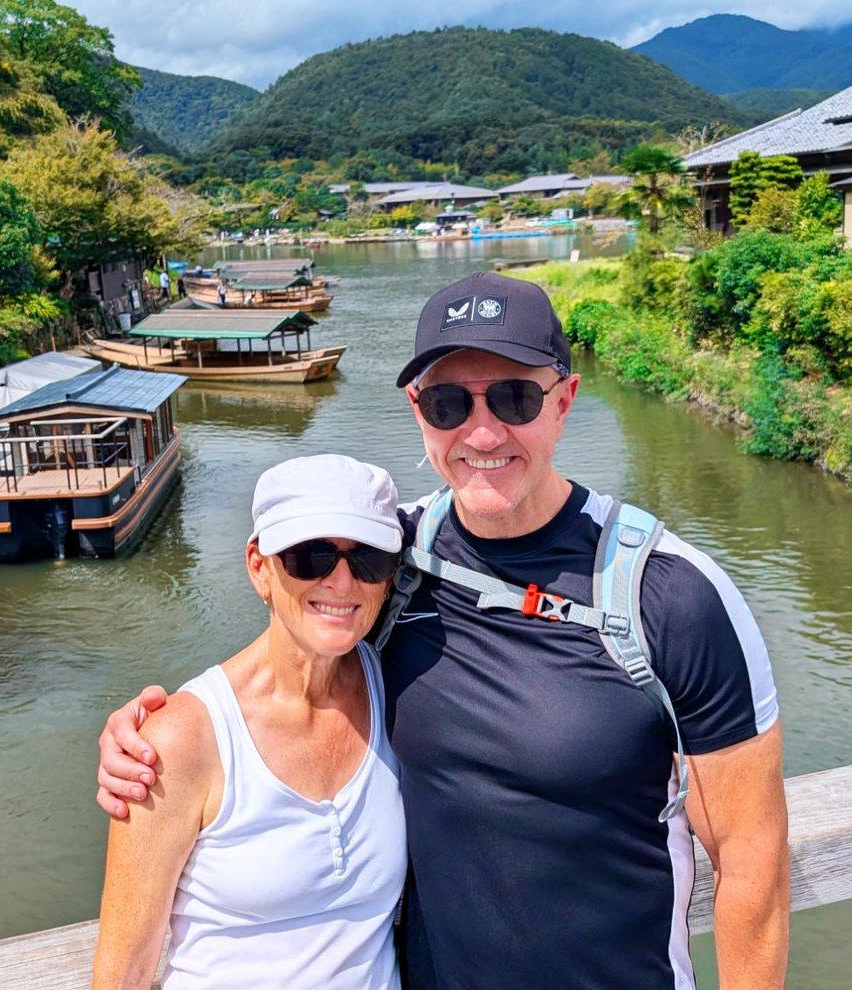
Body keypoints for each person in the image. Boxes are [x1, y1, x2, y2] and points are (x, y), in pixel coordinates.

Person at [96, 271, 789, 989]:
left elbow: (751, 860)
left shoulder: (667, 596)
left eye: (515, 398)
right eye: (450, 402)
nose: (482, 433)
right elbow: (300, 620)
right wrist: (162, 732)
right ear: (417, 410)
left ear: (566, 402)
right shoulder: (391, 560)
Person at [91, 455, 405, 990]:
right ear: (259, 566)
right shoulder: (180, 741)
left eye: (369, 559)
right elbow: (125, 973)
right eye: (310, 556)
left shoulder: (397, 684)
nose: (343, 581)